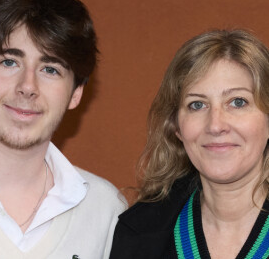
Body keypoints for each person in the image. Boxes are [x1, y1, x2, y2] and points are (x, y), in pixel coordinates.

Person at [0, 0, 125, 259]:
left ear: (76, 93)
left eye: (50, 69)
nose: (27, 86)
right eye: (9, 62)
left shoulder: (104, 210)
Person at [110, 29, 269, 258]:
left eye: (237, 102)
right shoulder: (139, 232)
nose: (215, 125)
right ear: (176, 126)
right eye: (197, 105)